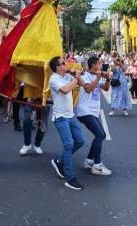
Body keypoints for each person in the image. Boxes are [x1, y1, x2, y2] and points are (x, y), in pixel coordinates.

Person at [48, 56, 85, 190]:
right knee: (69, 145)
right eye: (63, 63)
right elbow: (66, 90)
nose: (66, 64)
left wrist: (77, 75)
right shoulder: (54, 79)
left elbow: (81, 85)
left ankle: (59, 160)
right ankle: (70, 178)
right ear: (57, 67)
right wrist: (75, 78)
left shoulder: (66, 76)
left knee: (80, 141)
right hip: (61, 117)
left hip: (70, 115)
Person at [76, 56, 112, 176]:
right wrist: (97, 78)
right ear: (94, 65)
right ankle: (97, 166)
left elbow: (106, 89)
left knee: (100, 135)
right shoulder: (85, 76)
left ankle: (89, 161)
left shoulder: (97, 76)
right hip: (85, 111)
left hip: (93, 111)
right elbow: (88, 89)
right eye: (100, 64)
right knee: (100, 134)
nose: (101, 66)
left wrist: (107, 79)